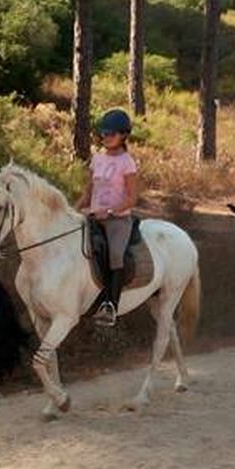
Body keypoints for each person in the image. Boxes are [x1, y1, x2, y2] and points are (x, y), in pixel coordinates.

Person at [79, 108, 139, 327]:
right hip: (94, 217)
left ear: (123, 135)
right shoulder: (97, 159)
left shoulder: (127, 162)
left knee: (115, 255)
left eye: (110, 134)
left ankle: (110, 305)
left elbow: (133, 198)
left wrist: (111, 211)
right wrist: (72, 210)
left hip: (117, 220)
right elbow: (88, 193)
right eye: (103, 134)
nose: (105, 137)